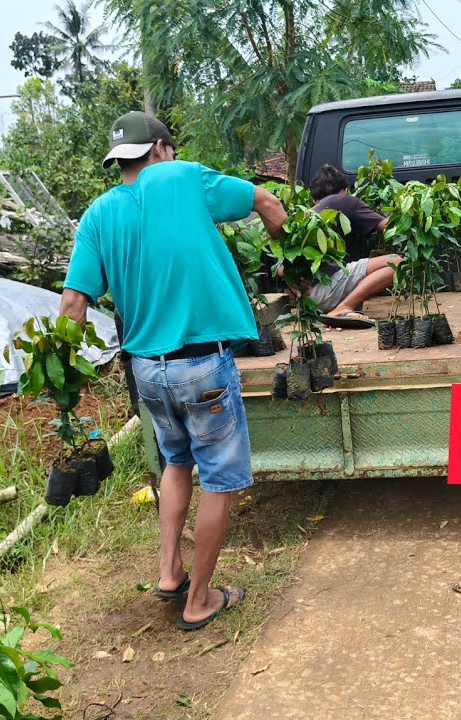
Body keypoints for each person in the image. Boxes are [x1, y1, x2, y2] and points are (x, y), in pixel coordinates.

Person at [59, 111, 288, 631]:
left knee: (176, 464)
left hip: (147, 373)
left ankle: (169, 573)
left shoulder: (98, 214)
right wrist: (289, 253)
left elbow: (74, 303)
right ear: (162, 147)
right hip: (202, 365)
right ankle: (200, 599)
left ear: (119, 160)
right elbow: (265, 200)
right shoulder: (183, 176)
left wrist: (64, 380)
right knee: (221, 480)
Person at [301, 164, 402, 329]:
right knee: (397, 262)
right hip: (326, 292)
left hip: (307, 299)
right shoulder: (344, 201)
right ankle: (343, 307)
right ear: (345, 190)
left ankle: (342, 305)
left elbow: (283, 271)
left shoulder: (307, 214)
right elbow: (389, 227)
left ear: (313, 198)